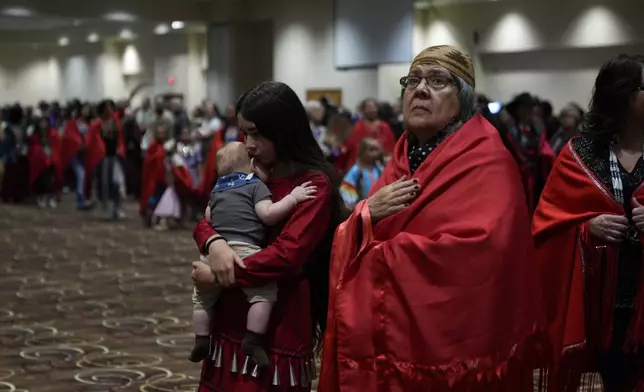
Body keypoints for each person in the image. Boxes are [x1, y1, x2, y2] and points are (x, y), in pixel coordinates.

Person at [319, 45, 545, 391]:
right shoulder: (401, 157)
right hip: (392, 347)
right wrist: (365, 214)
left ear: (464, 101)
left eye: (438, 81)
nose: (420, 90)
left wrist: (377, 252)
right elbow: (365, 222)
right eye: (413, 81)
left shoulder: (487, 159)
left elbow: (482, 251)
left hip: (458, 353)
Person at [190, 81, 346, 392]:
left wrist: (222, 274)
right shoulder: (249, 170)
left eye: (257, 134)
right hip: (230, 311)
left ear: (284, 132)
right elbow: (209, 215)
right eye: (244, 133)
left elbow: (286, 255)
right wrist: (214, 243)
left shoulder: (313, 184)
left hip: (278, 319)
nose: (248, 143)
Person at [533, 54, 644, 392]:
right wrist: (585, 229)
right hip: (601, 306)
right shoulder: (579, 154)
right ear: (621, 94)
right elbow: (544, 227)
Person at [191, 141, 316, 365]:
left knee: (202, 299)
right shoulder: (254, 185)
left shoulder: (217, 188)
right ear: (251, 164)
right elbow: (268, 214)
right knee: (263, 295)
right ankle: (253, 338)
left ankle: (201, 338)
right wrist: (293, 198)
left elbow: (209, 218)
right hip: (244, 250)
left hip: (213, 254)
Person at [85, 100, 126, 219]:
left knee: (118, 183)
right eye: (107, 108)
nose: (109, 110)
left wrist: (120, 149)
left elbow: (120, 139)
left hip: (115, 157)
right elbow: (91, 142)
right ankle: (108, 208)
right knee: (105, 184)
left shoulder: (116, 122)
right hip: (103, 158)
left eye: (111, 108)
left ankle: (117, 208)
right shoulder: (96, 125)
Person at [339, 137, 384, 209]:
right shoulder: (356, 170)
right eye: (371, 150)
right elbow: (347, 188)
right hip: (362, 208)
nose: (375, 153)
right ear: (362, 151)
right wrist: (353, 206)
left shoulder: (380, 169)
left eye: (376, 149)